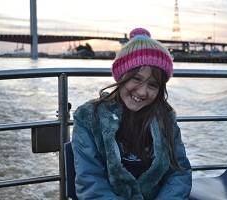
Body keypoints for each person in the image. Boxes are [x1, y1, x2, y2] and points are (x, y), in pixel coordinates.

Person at [72, 27, 192, 200]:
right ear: (121, 76)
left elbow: (179, 173)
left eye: (153, 85)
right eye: (136, 79)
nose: (142, 92)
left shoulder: (165, 118)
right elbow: (90, 180)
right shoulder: (89, 117)